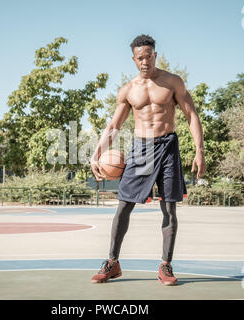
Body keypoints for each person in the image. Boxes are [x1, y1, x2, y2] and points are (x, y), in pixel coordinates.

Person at [90, 34, 206, 286]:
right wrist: (96, 153)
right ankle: (112, 262)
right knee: (124, 206)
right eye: (140, 58)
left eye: (149, 56)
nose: (145, 62)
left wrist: (199, 150)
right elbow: (114, 126)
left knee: (169, 208)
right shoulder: (128, 90)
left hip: (168, 146)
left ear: (156, 54)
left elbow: (191, 115)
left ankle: (165, 265)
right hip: (141, 148)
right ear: (134, 59)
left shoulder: (172, 82)